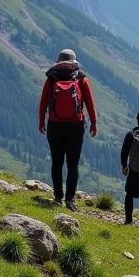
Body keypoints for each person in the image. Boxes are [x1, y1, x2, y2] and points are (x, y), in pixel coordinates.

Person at [39, 48, 98, 210]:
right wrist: (93, 123)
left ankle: (57, 196)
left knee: (57, 162)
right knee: (73, 164)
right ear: (74, 61)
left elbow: (43, 101)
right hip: (75, 126)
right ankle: (70, 200)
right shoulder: (81, 78)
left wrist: (41, 121)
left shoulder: (51, 78)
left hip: (54, 125)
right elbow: (89, 103)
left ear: (58, 61)